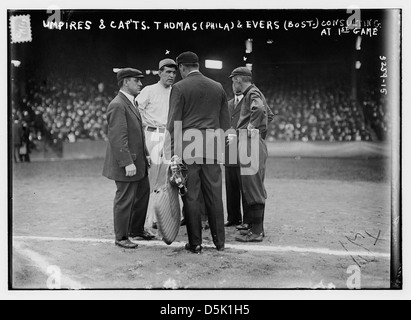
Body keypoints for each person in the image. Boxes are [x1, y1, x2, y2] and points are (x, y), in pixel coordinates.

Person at [166, 51, 230, 253]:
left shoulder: (179, 87)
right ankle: (220, 242)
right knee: (214, 194)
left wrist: (173, 152)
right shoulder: (217, 86)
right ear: (197, 65)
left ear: (183, 68)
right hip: (212, 146)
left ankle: (196, 243)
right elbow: (226, 123)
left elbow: (173, 123)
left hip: (188, 146)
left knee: (191, 195)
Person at [102, 68, 154, 249]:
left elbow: (138, 134)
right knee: (125, 198)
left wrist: (146, 154)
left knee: (142, 194)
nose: (140, 84)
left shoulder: (130, 102)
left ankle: (136, 229)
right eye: (136, 80)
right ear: (125, 82)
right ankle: (122, 237)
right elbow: (118, 138)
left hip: (138, 160)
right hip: (128, 163)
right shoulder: (118, 104)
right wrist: (127, 163)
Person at [229, 67, 272, 243]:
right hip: (253, 142)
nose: (233, 84)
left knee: (252, 186)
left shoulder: (252, 92)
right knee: (252, 185)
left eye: (234, 81)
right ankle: (256, 228)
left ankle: (257, 232)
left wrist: (252, 128)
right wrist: (260, 132)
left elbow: (261, 109)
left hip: (249, 143)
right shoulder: (255, 92)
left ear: (239, 80)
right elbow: (270, 115)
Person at [136, 58, 178, 230]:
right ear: (159, 72)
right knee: (151, 178)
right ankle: (146, 220)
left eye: (174, 73)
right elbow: (135, 108)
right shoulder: (149, 90)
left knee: (167, 178)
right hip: (152, 134)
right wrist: (144, 124)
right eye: (167, 72)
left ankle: (161, 217)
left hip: (168, 135)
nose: (171, 75)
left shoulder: (176, 91)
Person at [224, 88, 249, 228]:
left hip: (245, 147)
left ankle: (247, 220)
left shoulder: (250, 102)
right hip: (229, 148)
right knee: (231, 185)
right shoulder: (228, 104)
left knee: (245, 185)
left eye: (238, 81)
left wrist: (255, 136)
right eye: (233, 82)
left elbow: (267, 116)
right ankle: (233, 217)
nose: (235, 85)